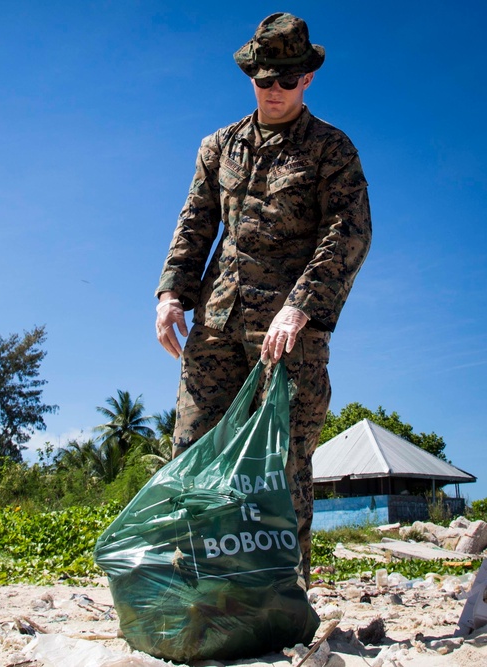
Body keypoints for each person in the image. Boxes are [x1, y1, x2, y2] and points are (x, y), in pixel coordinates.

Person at [154, 12, 371, 585]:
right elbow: (196, 224)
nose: (273, 90)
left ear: (307, 79)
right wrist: (172, 293)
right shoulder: (218, 146)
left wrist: (301, 305)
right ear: (250, 75)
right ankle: (196, 588)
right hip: (217, 323)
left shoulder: (332, 150)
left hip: (289, 334)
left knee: (283, 464)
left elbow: (349, 231)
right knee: (194, 454)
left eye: (286, 79)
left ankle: (283, 594)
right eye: (263, 79)